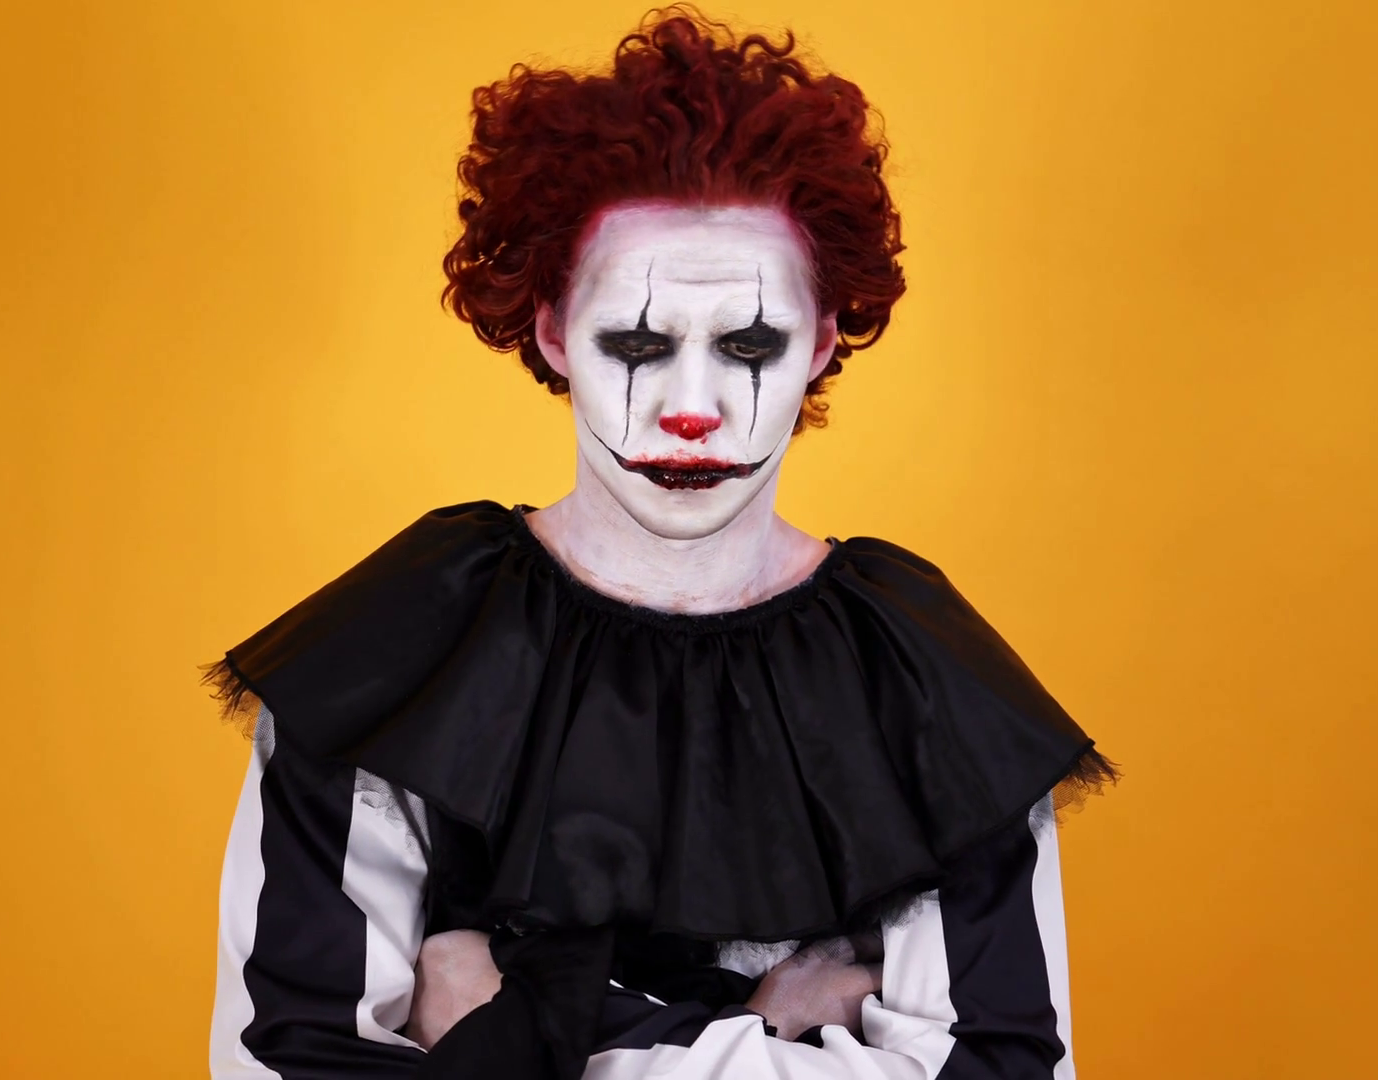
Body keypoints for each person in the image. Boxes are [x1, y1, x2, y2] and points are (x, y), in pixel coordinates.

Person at [201, 8, 1116, 1078]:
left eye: (750, 344)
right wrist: (768, 1031)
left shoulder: (921, 680)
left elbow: (1008, 1068)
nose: (691, 409)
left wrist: (522, 1026)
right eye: (636, 342)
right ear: (553, 332)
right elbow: (282, 1061)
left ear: (823, 343)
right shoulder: (394, 655)